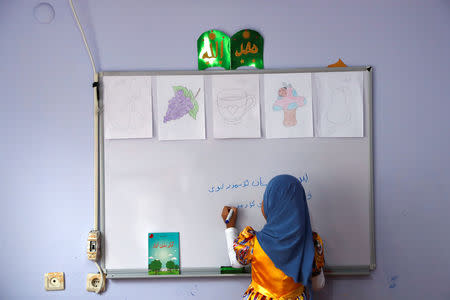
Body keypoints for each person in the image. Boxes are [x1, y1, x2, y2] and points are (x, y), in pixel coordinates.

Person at [221, 175, 325, 300]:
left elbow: (236, 262)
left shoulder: (254, 242)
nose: (262, 204)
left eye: (266, 200)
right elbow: (318, 285)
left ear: (273, 207)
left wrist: (230, 226)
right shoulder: (311, 244)